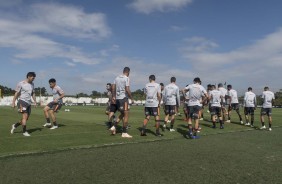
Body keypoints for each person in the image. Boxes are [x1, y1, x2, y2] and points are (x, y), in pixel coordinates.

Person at [109, 67, 134, 138]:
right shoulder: (126, 78)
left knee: (122, 113)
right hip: (124, 99)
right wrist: (131, 98)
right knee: (126, 115)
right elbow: (127, 89)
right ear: (128, 72)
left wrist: (114, 96)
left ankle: (114, 126)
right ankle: (124, 132)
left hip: (117, 99)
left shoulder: (116, 78)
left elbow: (113, 87)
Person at [10, 72, 37, 136]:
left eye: (34, 78)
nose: (33, 79)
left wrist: (35, 101)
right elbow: (16, 93)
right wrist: (13, 102)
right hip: (22, 101)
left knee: (25, 118)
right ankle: (24, 132)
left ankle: (15, 125)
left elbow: (33, 93)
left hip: (28, 103)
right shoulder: (21, 83)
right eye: (32, 78)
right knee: (24, 116)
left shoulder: (32, 84)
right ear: (28, 77)